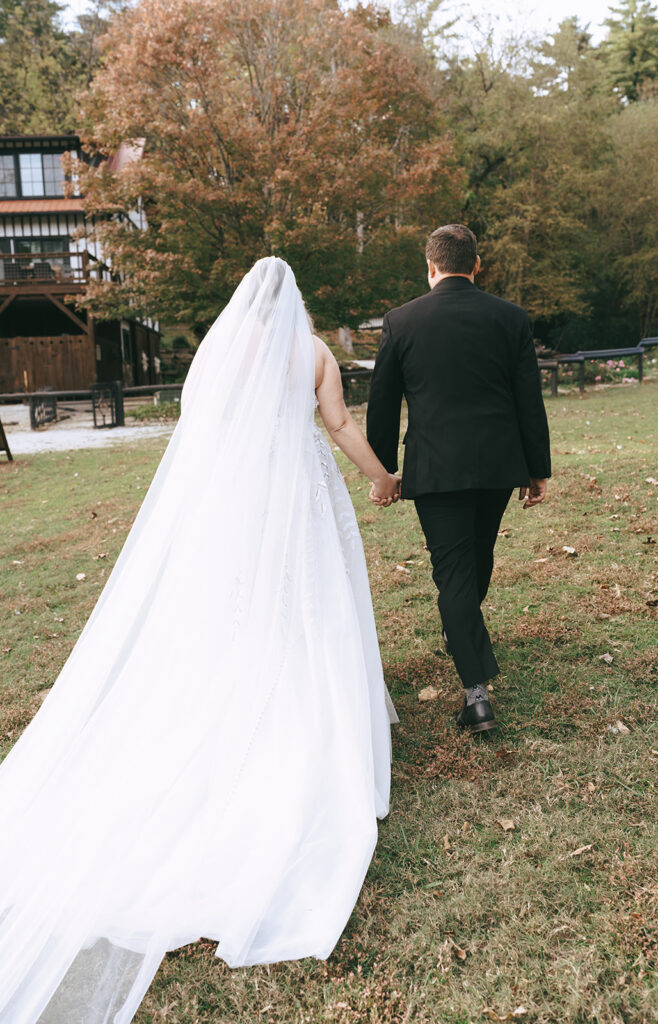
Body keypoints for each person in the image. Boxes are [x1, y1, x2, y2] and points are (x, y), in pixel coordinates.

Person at [0, 257, 400, 1023]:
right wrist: (380, 477)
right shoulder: (312, 352)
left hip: (234, 501)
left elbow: (203, 433)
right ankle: (311, 710)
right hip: (302, 492)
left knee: (244, 606)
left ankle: (244, 686)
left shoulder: (222, 351)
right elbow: (340, 424)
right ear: (296, 299)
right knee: (312, 600)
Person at [367, 224, 551, 733]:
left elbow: (382, 403)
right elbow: (528, 401)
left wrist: (384, 470)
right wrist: (536, 469)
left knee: (455, 573)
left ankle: (476, 697)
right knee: (477, 558)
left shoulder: (401, 321)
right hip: (497, 465)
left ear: (430, 266)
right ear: (476, 264)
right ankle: (465, 635)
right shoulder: (510, 318)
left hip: (435, 468)